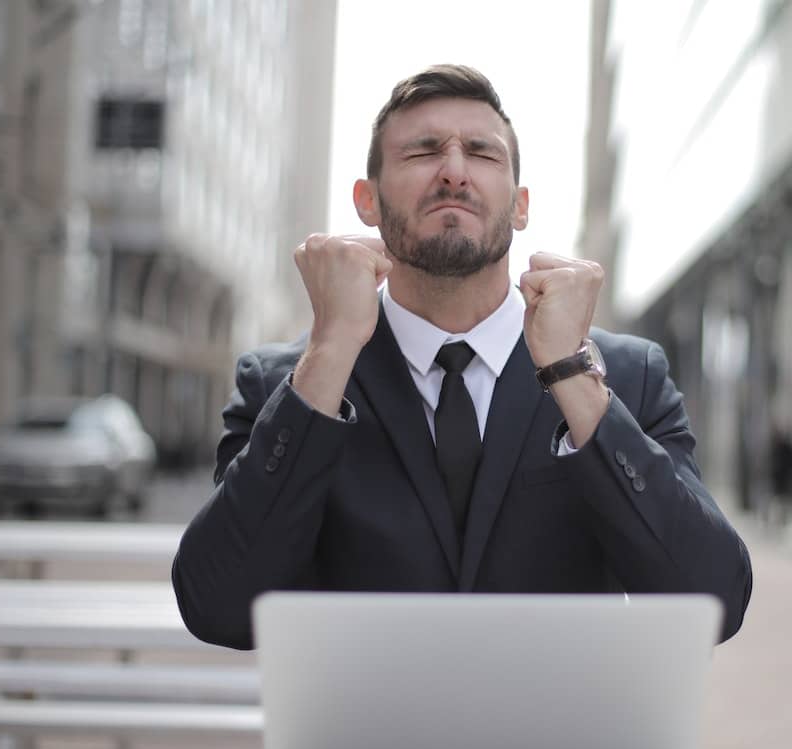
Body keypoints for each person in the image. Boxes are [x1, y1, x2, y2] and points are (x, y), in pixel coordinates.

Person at [172, 65, 752, 649]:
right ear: (366, 201)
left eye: (482, 153)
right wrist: (331, 349)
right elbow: (218, 607)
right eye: (423, 152)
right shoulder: (285, 383)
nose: (453, 172)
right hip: (354, 743)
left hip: (561, 742)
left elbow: (712, 603)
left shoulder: (626, 376)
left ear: (521, 206)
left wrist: (570, 372)